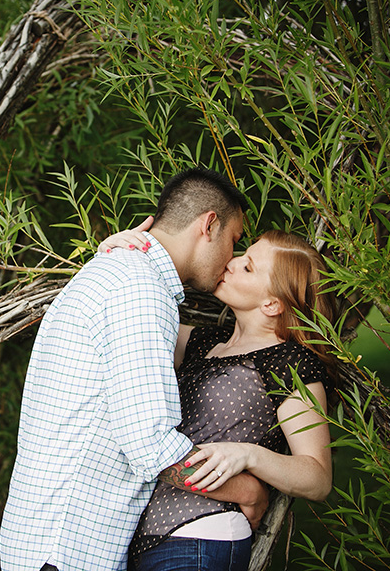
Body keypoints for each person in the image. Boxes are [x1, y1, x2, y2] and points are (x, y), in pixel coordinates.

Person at [0, 168, 270, 571]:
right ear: (208, 225)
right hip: (67, 550)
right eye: (233, 242)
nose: (231, 260)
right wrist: (248, 490)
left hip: (46, 542)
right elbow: (151, 447)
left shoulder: (115, 272)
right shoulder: (140, 289)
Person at [98, 221, 336, 571]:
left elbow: (317, 478)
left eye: (248, 267)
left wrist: (249, 456)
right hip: (136, 540)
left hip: (202, 538)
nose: (232, 261)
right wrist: (117, 254)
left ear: (272, 304)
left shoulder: (290, 363)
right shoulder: (205, 342)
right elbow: (130, 315)